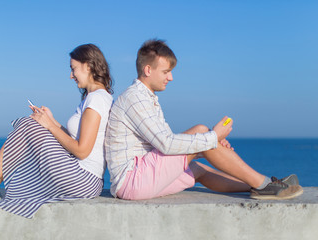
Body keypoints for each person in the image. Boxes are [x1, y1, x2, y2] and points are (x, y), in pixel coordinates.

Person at [105, 39, 303, 201]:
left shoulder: (146, 98)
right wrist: (211, 137)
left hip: (140, 178)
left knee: (197, 169)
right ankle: (264, 184)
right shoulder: (134, 98)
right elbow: (166, 144)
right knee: (202, 131)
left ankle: (260, 186)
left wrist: (208, 145)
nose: (171, 77)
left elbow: (168, 144)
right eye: (166, 72)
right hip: (132, 181)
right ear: (148, 70)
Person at [0, 44, 114, 218]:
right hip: (84, 178)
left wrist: (49, 126)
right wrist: (51, 121)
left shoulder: (96, 99)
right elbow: (75, 140)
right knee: (33, 123)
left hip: (83, 180)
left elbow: (82, 150)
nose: (71, 75)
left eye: (73, 69)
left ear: (88, 65)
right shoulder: (95, 98)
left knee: (28, 125)